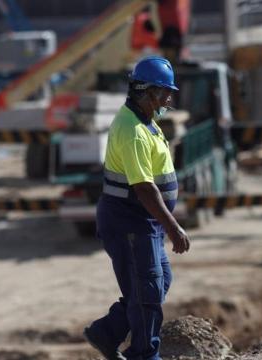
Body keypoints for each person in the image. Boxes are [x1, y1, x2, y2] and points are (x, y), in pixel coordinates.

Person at [84, 56, 190, 360]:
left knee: (157, 284)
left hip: (145, 223)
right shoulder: (132, 131)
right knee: (147, 294)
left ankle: (106, 332)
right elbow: (144, 188)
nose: (170, 97)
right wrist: (174, 227)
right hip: (130, 221)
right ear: (147, 91)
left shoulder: (146, 120)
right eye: (165, 91)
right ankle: (144, 355)